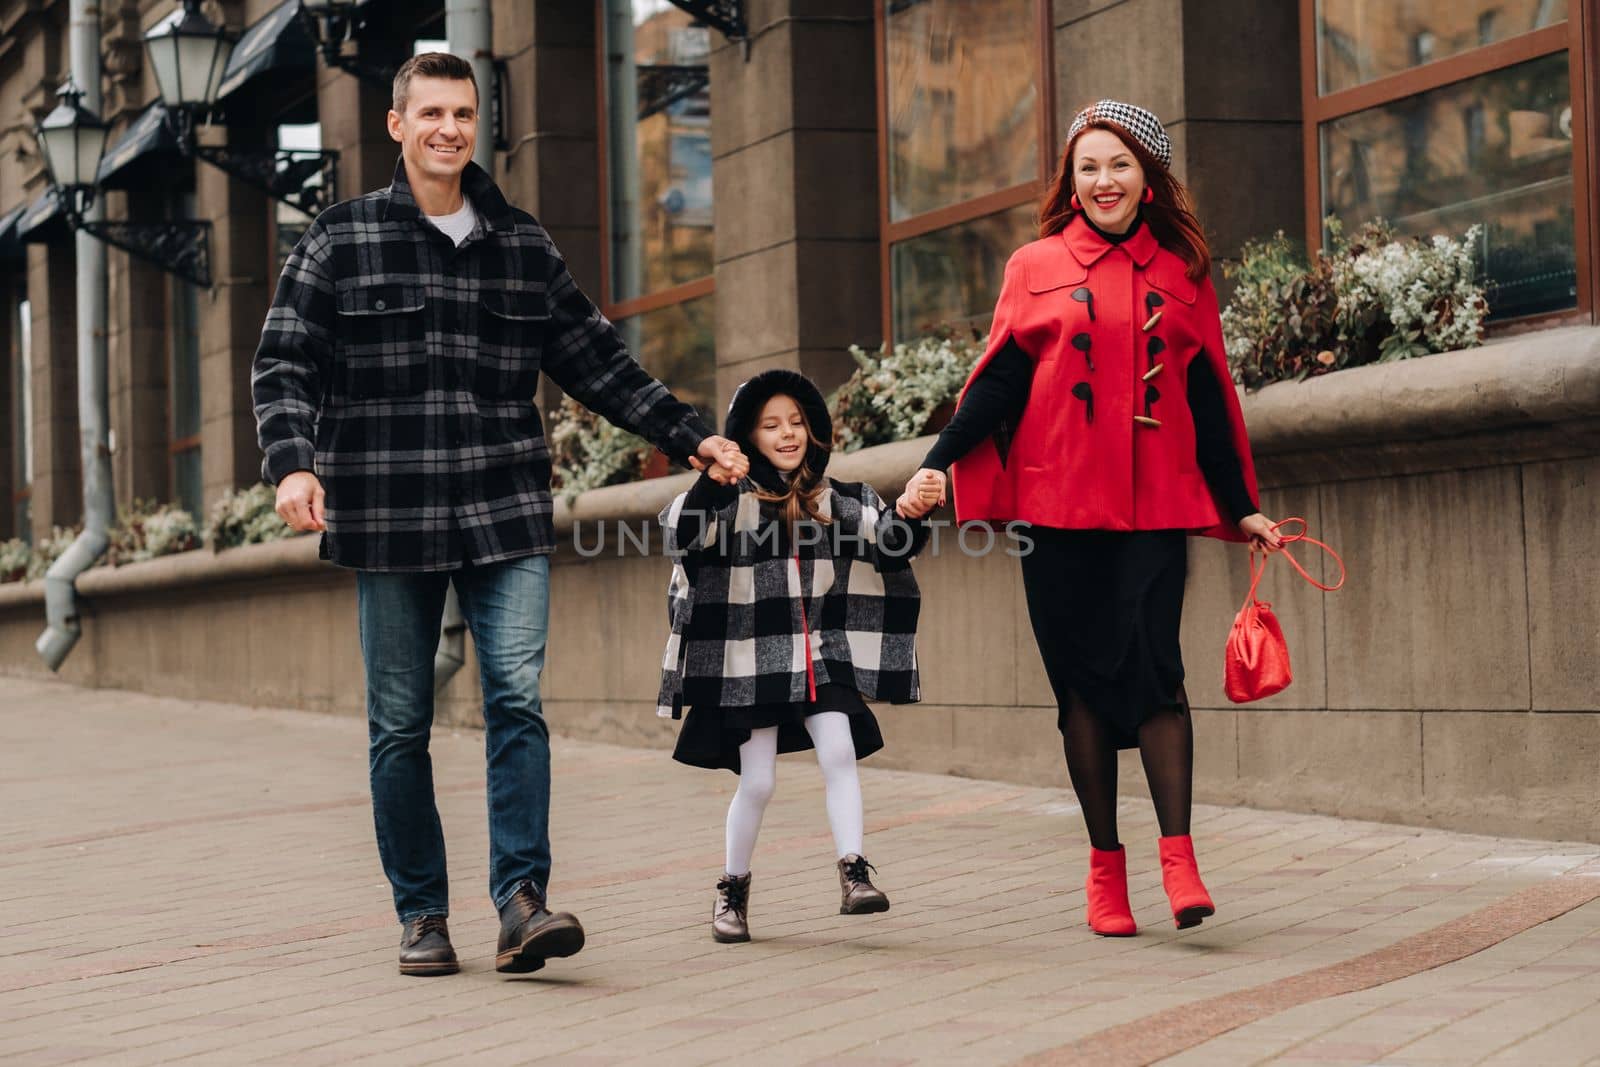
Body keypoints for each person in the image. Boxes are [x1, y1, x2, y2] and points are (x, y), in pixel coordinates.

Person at [252, 52, 748, 977]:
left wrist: (692, 436)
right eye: (431, 113)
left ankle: (522, 901)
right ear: (397, 125)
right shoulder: (341, 237)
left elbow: (596, 360)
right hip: (389, 512)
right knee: (400, 722)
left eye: (464, 114)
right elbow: (283, 363)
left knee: (516, 700)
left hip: (502, 507)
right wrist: (291, 464)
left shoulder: (520, 244)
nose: (449, 129)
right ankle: (422, 915)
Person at [899, 100, 1283, 937]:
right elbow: (997, 381)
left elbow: (1210, 399)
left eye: (1118, 165)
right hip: (1055, 508)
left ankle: (1178, 858)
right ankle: (1104, 869)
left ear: (1149, 180)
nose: (1102, 180)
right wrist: (936, 462)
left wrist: (1242, 507)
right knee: (1078, 686)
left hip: (1153, 510)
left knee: (1154, 667)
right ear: (1071, 184)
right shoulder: (1034, 263)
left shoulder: (1185, 271)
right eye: (1087, 167)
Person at [657, 369, 932, 942]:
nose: (788, 434)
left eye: (798, 422)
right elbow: (680, 536)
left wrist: (911, 509)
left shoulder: (839, 500)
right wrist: (711, 481)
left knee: (839, 749)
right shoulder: (726, 502)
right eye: (771, 425)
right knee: (757, 783)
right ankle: (731, 888)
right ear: (748, 436)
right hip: (751, 663)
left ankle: (854, 873)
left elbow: (891, 546)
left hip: (821, 655)